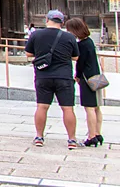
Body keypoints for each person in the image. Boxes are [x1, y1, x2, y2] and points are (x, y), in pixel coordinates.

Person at [25, 10, 81, 149]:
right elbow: (75, 57)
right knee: (68, 109)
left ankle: (39, 137)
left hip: (43, 75)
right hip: (64, 76)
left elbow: (28, 53)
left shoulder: (36, 34)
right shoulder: (69, 37)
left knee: (42, 107)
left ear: (47, 20)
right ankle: (71, 140)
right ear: (62, 22)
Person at [66, 17, 105, 147]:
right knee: (96, 108)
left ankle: (91, 136)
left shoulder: (81, 45)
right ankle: (98, 133)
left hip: (87, 78)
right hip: (96, 76)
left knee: (89, 108)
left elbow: (80, 63)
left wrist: (77, 75)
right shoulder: (89, 42)